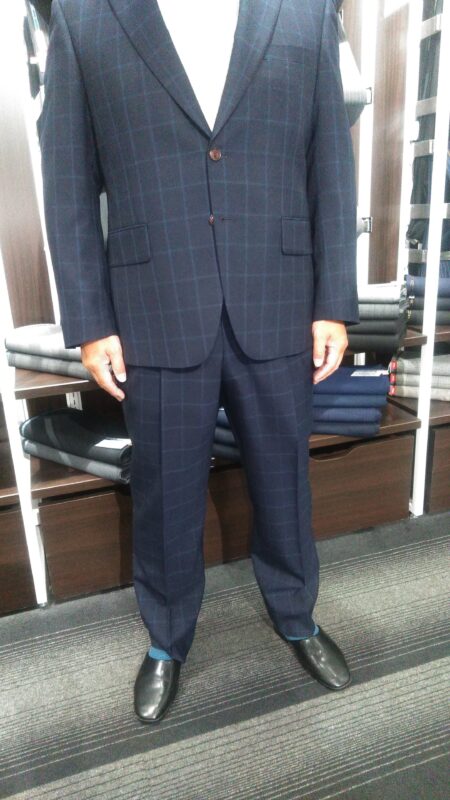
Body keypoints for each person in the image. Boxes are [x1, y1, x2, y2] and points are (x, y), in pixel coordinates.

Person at [38, 0, 360, 723]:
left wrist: (333, 302)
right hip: (153, 305)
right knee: (164, 490)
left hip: (278, 296)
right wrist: (90, 321)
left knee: (285, 478)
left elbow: (331, 168)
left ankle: (296, 614)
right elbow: (67, 182)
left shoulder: (307, 13)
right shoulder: (85, 19)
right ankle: (167, 638)